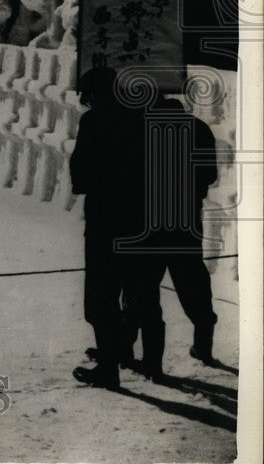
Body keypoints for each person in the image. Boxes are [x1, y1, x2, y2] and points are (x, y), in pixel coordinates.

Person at [119, 95, 219, 375]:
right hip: (186, 221)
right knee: (192, 284)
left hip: (148, 224)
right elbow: (209, 175)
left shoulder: (141, 130)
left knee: (140, 289)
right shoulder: (199, 128)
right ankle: (203, 345)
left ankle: (134, 352)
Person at [69, 66, 148, 390]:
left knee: (101, 297)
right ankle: (122, 352)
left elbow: (80, 174)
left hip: (104, 218)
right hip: (138, 217)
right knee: (132, 290)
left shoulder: (93, 121)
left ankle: (109, 366)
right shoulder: (139, 118)